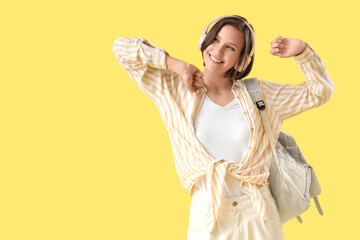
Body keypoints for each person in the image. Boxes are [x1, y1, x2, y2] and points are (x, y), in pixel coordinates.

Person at [112, 15, 335, 240]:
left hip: (258, 215)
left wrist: (303, 52)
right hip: (207, 214)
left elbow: (320, 91)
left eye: (230, 47)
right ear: (203, 41)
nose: (218, 51)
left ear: (241, 60)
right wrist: (179, 66)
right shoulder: (172, 90)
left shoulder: (260, 95)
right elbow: (121, 48)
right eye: (215, 40)